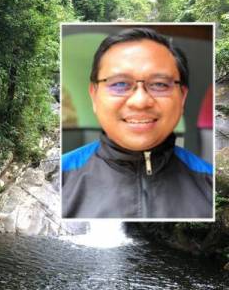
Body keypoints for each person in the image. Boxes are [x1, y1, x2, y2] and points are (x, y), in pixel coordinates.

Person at [62, 27, 213, 219]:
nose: (140, 102)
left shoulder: (213, 184)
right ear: (94, 96)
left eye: (159, 84)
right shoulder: (54, 180)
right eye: (119, 84)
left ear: (182, 97)